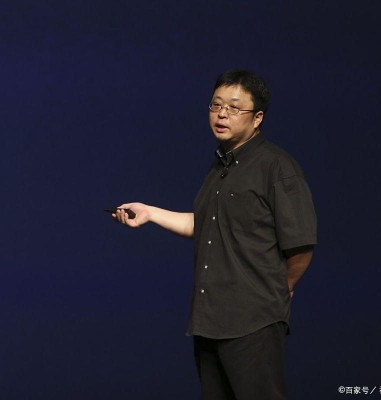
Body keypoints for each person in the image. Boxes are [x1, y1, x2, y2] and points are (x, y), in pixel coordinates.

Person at [111, 69, 317, 400]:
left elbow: (302, 244)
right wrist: (150, 213)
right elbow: (208, 224)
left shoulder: (276, 166)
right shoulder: (221, 166)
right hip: (210, 319)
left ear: (258, 118)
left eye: (234, 107)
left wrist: (282, 288)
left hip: (254, 320)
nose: (222, 114)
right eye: (216, 105)